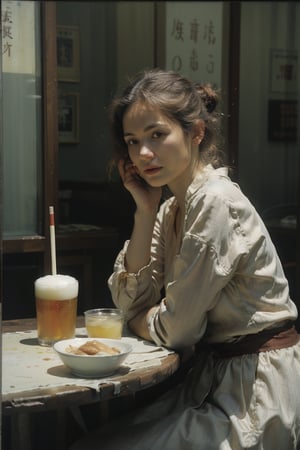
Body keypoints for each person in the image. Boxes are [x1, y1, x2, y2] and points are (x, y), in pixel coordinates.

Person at [70, 69, 300, 450]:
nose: (143, 153)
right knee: (92, 439)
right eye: (132, 141)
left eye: (157, 135)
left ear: (195, 133)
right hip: (211, 378)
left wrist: (145, 318)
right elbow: (129, 301)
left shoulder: (215, 201)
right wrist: (144, 211)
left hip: (255, 390)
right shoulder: (172, 207)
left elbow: (177, 329)